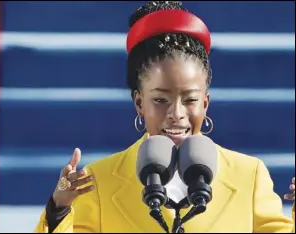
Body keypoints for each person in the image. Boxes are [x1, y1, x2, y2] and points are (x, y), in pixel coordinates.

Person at [35, 1, 295, 233]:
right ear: (139, 102)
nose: (176, 114)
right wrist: (59, 208)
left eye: (191, 100)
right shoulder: (98, 181)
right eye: (160, 100)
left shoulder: (249, 176)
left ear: (206, 103)